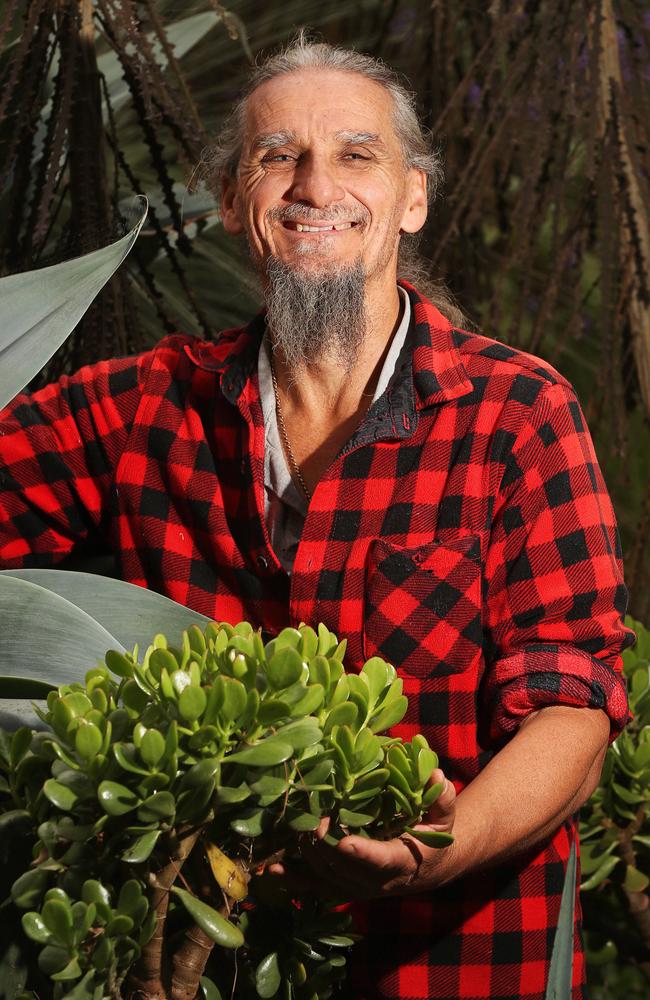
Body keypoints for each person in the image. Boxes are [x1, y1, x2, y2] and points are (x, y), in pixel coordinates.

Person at [0, 35, 631, 1000]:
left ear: (412, 197)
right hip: (196, 960)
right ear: (230, 203)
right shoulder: (141, 409)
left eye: (356, 154)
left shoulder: (519, 414)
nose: (313, 184)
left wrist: (436, 852)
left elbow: (572, 706)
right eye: (276, 155)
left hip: (454, 960)